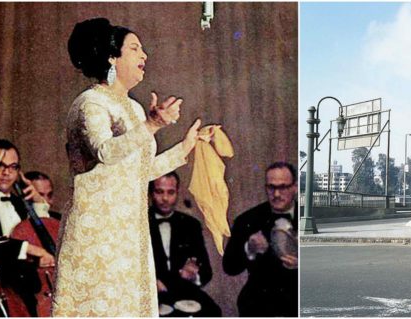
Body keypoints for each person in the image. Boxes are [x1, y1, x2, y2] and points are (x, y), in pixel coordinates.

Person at [53, 18, 204, 316]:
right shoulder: (91, 103)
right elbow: (105, 152)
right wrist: (152, 124)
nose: (144, 55)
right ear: (112, 58)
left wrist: (185, 146)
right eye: (135, 48)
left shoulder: (133, 107)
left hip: (128, 232)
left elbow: (138, 172)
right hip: (97, 232)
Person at [0, 139, 55, 316]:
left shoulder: (19, 202)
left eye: (13, 167)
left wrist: (38, 202)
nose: (6, 173)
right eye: (0, 166)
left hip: (27, 287)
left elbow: (45, 233)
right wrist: (34, 251)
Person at [223, 162, 298, 317]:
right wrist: (248, 249)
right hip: (259, 303)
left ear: (295, 187)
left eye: (283, 187)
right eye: (271, 187)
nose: (276, 194)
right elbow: (229, 267)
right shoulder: (247, 219)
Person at [148, 172, 221, 317]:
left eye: (171, 192)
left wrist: (194, 275)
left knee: (213, 312)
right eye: (159, 192)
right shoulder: (139, 224)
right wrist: (150, 282)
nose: (165, 198)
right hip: (151, 296)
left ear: (177, 192)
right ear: (150, 193)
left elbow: (206, 271)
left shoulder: (190, 225)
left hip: (184, 293)